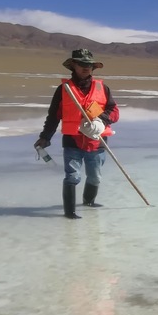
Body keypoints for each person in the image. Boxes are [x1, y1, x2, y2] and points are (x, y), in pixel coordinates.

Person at [34, 49, 120, 219]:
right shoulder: (64, 89)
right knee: (72, 177)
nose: (85, 67)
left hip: (97, 142)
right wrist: (45, 137)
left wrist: (101, 120)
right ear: (73, 65)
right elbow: (53, 116)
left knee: (95, 177)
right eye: (81, 64)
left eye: (88, 64)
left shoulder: (102, 88)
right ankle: (70, 213)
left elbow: (114, 112)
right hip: (73, 142)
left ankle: (89, 202)